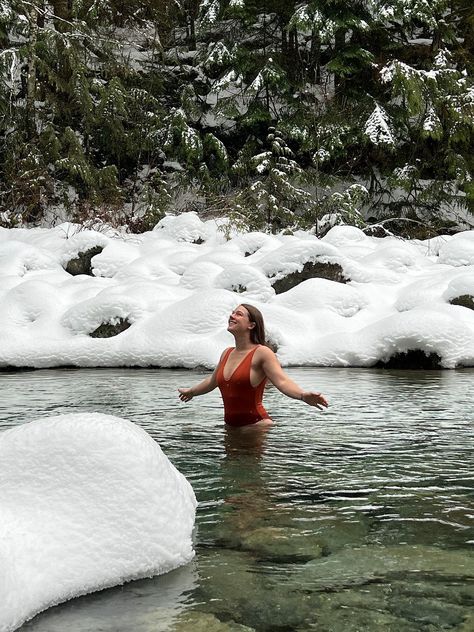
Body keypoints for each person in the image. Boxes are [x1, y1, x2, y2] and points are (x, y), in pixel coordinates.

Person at [178, 303, 329, 428]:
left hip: (256, 427)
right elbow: (212, 381)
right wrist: (192, 392)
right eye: (232, 313)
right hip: (232, 428)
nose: (232, 316)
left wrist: (302, 395)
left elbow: (282, 381)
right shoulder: (226, 353)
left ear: (251, 325)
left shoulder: (262, 353)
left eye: (239, 314)